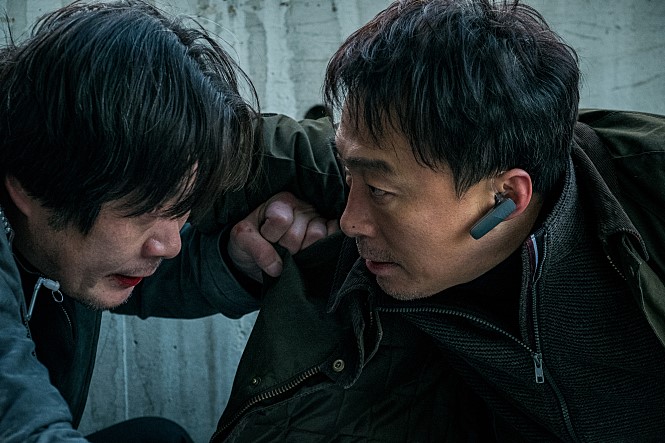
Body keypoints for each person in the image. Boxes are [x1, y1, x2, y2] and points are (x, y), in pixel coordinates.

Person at [214, 0, 665, 441]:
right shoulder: (380, 151)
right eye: (350, 175)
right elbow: (205, 147)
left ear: (506, 197)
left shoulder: (649, 189)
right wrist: (230, 266)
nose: (350, 222)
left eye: (380, 191)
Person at [0, 1, 344, 442]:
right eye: (144, 211)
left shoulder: (64, 237)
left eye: (181, 207)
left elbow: (139, 280)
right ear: (32, 187)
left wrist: (235, 262)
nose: (170, 243)